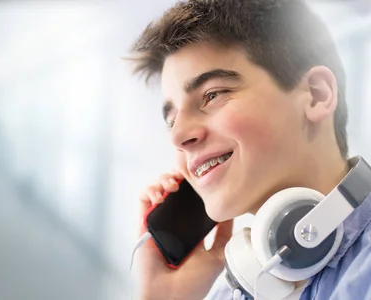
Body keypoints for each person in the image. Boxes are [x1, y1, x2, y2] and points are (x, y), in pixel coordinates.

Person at [127, 0, 371, 299]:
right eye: (172, 119)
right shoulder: (230, 290)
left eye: (212, 95)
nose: (178, 136)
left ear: (316, 95)